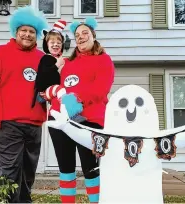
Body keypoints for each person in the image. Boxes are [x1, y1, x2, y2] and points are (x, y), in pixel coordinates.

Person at [45, 17, 115, 203]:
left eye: (85, 33)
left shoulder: (104, 60)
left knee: (90, 168)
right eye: (77, 35)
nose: (81, 37)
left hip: (90, 121)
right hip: (62, 121)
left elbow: (100, 90)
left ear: (93, 35)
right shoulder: (67, 63)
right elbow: (51, 82)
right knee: (65, 169)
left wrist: (73, 99)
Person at [0, 5, 48, 203]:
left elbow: (51, 88)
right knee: (9, 173)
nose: (27, 35)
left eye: (32, 32)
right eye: (24, 31)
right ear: (16, 31)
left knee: (28, 172)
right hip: (6, 124)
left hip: (34, 125)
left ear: (36, 35)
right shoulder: (0, 54)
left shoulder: (43, 59)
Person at [32, 20, 84, 122]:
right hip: (43, 92)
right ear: (47, 45)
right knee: (61, 90)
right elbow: (43, 75)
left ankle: (61, 114)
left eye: (58, 42)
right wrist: (57, 65)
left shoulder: (60, 59)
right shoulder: (46, 58)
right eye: (52, 42)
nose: (56, 45)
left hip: (51, 90)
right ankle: (73, 114)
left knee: (67, 92)